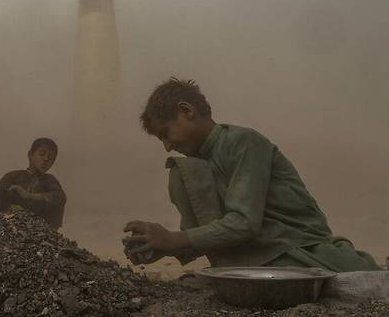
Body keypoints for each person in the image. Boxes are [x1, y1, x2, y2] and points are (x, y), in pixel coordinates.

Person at [123, 77, 380, 272]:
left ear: (187, 111)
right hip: (251, 255)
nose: (167, 146)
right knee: (181, 172)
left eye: (166, 134)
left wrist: (173, 239)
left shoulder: (244, 142)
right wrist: (159, 247)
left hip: (297, 248)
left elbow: (244, 223)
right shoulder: (197, 165)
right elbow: (205, 236)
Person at [0, 138, 66, 229]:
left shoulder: (49, 180)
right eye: (42, 154)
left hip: (38, 228)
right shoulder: (12, 176)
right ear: (30, 154)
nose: (46, 159)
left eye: (50, 158)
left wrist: (28, 195)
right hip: (10, 224)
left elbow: (60, 197)